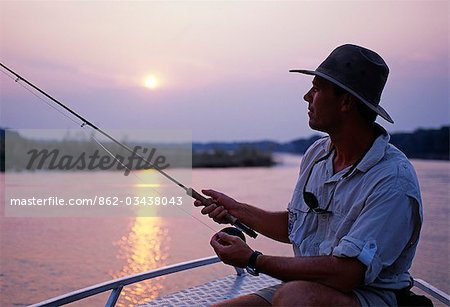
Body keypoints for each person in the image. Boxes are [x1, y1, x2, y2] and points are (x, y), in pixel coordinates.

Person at [194, 44, 423, 306]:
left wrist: (252, 259)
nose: (306, 96)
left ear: (346, 102)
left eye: (317, 89)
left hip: (370, 297)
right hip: (307, 289)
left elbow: (348, 274)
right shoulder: (317, 154)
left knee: (294, 296)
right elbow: (294, 226)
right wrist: (237, 209)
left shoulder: (393, 180)